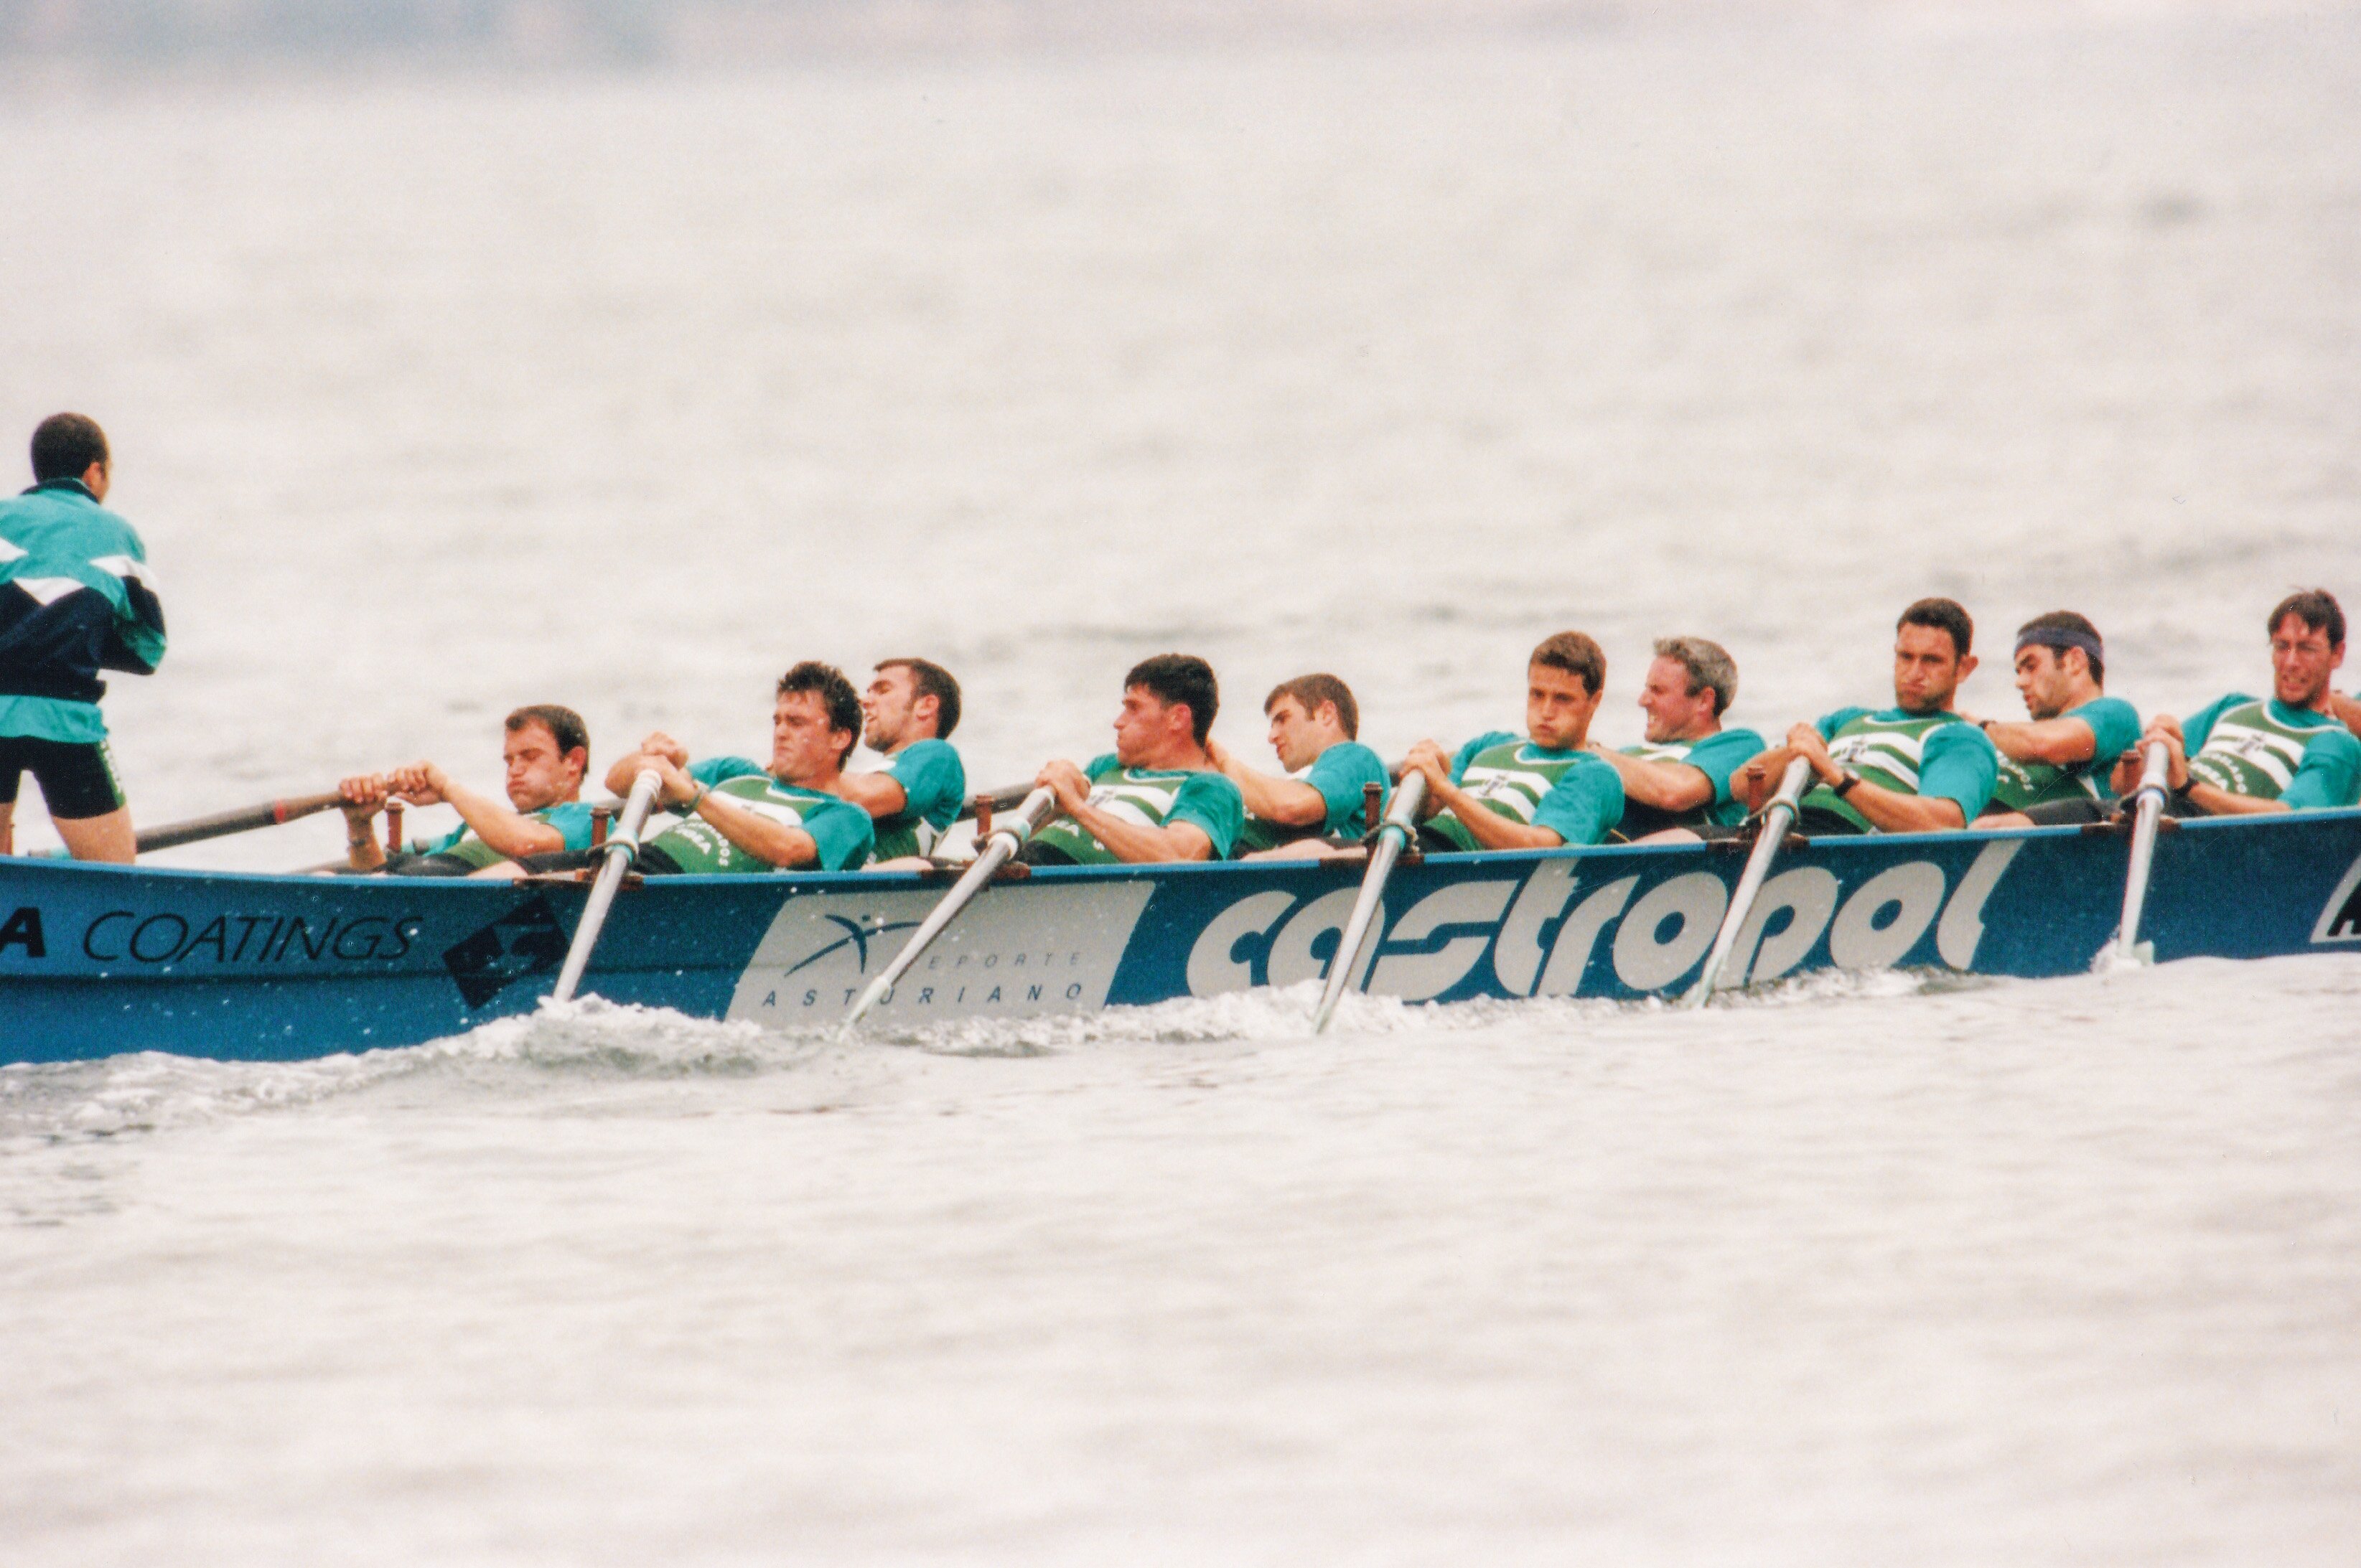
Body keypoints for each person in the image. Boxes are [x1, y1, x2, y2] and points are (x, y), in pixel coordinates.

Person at [0, 414, 166, 863]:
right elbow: (148, 649)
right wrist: (79, 636)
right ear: (95, 472)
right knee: (115, 876)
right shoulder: (117, 533)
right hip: (66, 718)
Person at [1736, 597, 1998, 833]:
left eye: (1931, 661)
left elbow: (1942, 823)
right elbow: (1739, 787)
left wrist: (1836, 776)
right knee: (1694, 837)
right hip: (1774, 831)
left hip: (1846, 841)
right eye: (1905, 657)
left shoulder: (1960, 738)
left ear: (1964, 668)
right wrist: (1792, 752)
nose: (1915, 673)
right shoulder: (1846, 719)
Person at [600, 662, 875, 873]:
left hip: (684, 893)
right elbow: (616, 782)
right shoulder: (735, 772)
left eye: (796, 723)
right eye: (777, 721)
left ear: (840, 738)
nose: (780, 732)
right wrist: (657, 758)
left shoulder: (847, 817)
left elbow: (788, 849)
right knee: (560, 871)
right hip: (633, 865)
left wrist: (695, 798)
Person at [2122, 590, 2360, 816]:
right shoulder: (2232, 706)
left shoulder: (2336, 742)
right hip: (2143, 809)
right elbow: (2121, 782)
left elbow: (2292, 817)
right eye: (2281, 646)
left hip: (2201, 828)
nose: (2290, 662)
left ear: (2337, 655)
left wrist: (2190, 788)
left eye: (2306, 649)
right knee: (2088, 812)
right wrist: (2149, 754)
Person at [1401, 632, 1624, 853]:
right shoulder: (1488, 744)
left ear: (1595, 701)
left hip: (1465, 866)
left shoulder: (1595, 774)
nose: (1546, 711)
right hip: (1410, 850)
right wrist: (1420, 776)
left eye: (1562, 699)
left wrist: (1444, 789)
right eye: (1537, 694)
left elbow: (1538, 848)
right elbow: (1421, 812)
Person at [1020, 654, 1245, 865]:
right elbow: (1036, 826)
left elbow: (1180, 856)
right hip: (1023, 867)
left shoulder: (1212, 787)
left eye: (1133, 708)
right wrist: (1054, 801)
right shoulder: (1106, 766)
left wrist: (1078, 807)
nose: (1118, 722)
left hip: (1076, 886)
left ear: (1177, 718)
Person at [336, 706, 597, 876]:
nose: (515, 770)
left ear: (574, 761)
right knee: (328, 879)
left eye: (530, 757)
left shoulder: (586, 819)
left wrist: (447, 788)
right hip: (408, 891)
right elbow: (374, 872)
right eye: (509, 761)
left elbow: (525, 844)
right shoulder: (475, 829)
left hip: (436, 899)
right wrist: (360, 827)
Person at [1973, 611, 2143, 827]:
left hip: (2033, 838)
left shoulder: (2115, 714)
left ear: (2075, 661)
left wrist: (1978, 727)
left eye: (2031, 666)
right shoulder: (2015, 738)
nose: (2020, 682)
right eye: (2018, 671)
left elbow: (2043, 745)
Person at [1592, 637, 1764, 841]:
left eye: (1657, 691)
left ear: (1703, 701)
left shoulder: (1739, 745)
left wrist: (1591, 750)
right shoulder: (1625, 754)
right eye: (1646, 689)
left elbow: (1676, 792)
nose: (1643, 700)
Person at [1205, 672, 1390, 858]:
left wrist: (1222, 761)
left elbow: (1291, 808)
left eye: (1283, 719)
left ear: (1326, 714)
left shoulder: (1356, 757)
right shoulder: (1301, 780)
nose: (1271, 736)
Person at [833, 658, 967, 863]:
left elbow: (861, 799)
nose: (865, 701)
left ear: (926, 705)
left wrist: (791, 773)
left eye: (883, 690)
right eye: (869, 691)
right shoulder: (870, 774)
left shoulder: (939, 756)